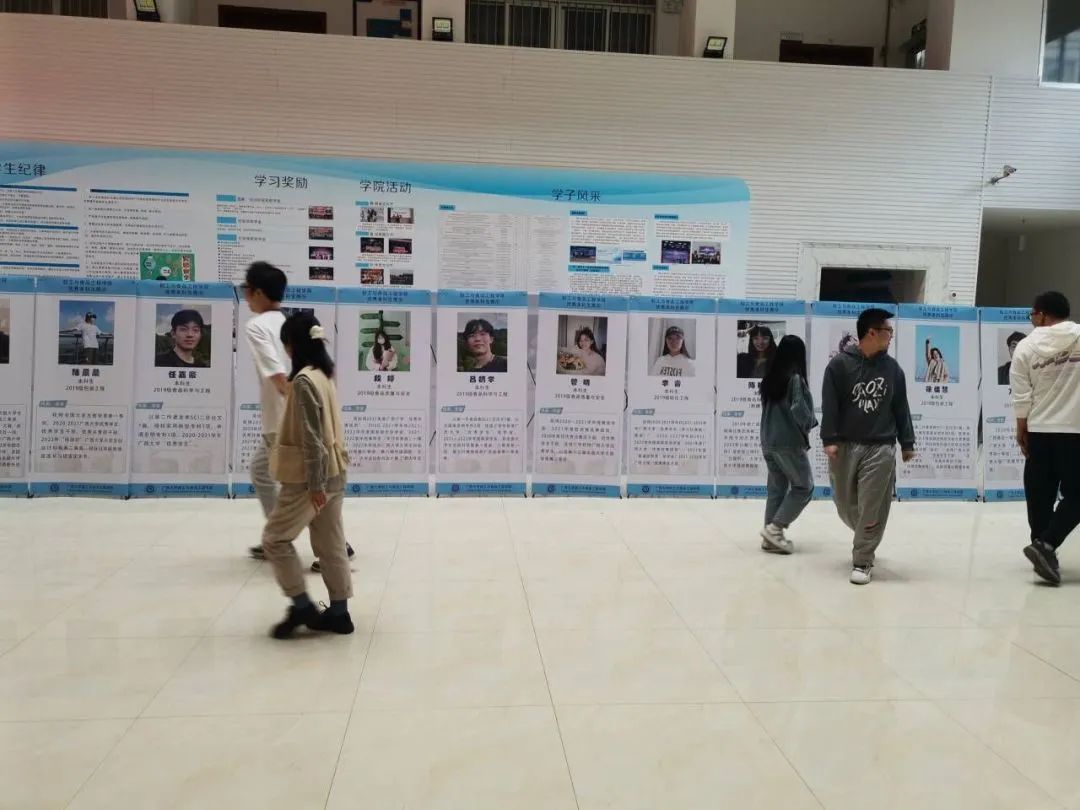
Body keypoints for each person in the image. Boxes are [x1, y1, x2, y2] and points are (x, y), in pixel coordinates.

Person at [241, 261, 355, 568]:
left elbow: (279, 378)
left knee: (303, 486)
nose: (246, 296)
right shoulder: (288, 321)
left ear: (258, 292)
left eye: (246, 290)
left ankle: (286, 539)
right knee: (263, 471)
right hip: (292, 418)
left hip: (284, 422)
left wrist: (297, 417)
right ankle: (287, 537)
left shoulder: (256, 326)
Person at [262, 312, 354, 639]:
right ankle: (340, 613)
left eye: (285, 343)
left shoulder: (302, 381)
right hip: (336, 470)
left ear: (293, 345)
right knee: (331, 543)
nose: (285, 350)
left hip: (309, 477)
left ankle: (301, 605)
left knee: (275, 539)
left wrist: (315, 486)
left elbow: (313, 439)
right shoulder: (323, 374)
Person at [821, 307, 915, 585]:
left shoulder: (893, 369)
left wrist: (907, 442)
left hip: (880, 447)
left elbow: (901, 408)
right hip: (845, 445)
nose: (891, 336)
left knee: (872, 504)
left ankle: (862, 559)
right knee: (846, 505)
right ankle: (865, 533)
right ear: (871, 333)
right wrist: (830, 439)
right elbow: (830, 405)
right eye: (888, 331)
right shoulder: (839, 366)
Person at [1011, 291, 1080, 586]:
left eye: (1032, 315)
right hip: (1075, 431)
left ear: (1041, 315)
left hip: (1039, 430)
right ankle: (1046, 546)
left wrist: (1021, 428)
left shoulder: (1026, 346)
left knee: (1039, 495)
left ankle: (1042, 545)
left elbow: (1021, 394)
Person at [759, 335, 817, 555]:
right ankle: (775, 529)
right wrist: (811, 423)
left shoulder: (769, 380)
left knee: (777, 489)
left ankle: (770, 537)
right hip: (788, 443)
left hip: (768, 441)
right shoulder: (795, 379)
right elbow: (800, 410)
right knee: (804, 487)